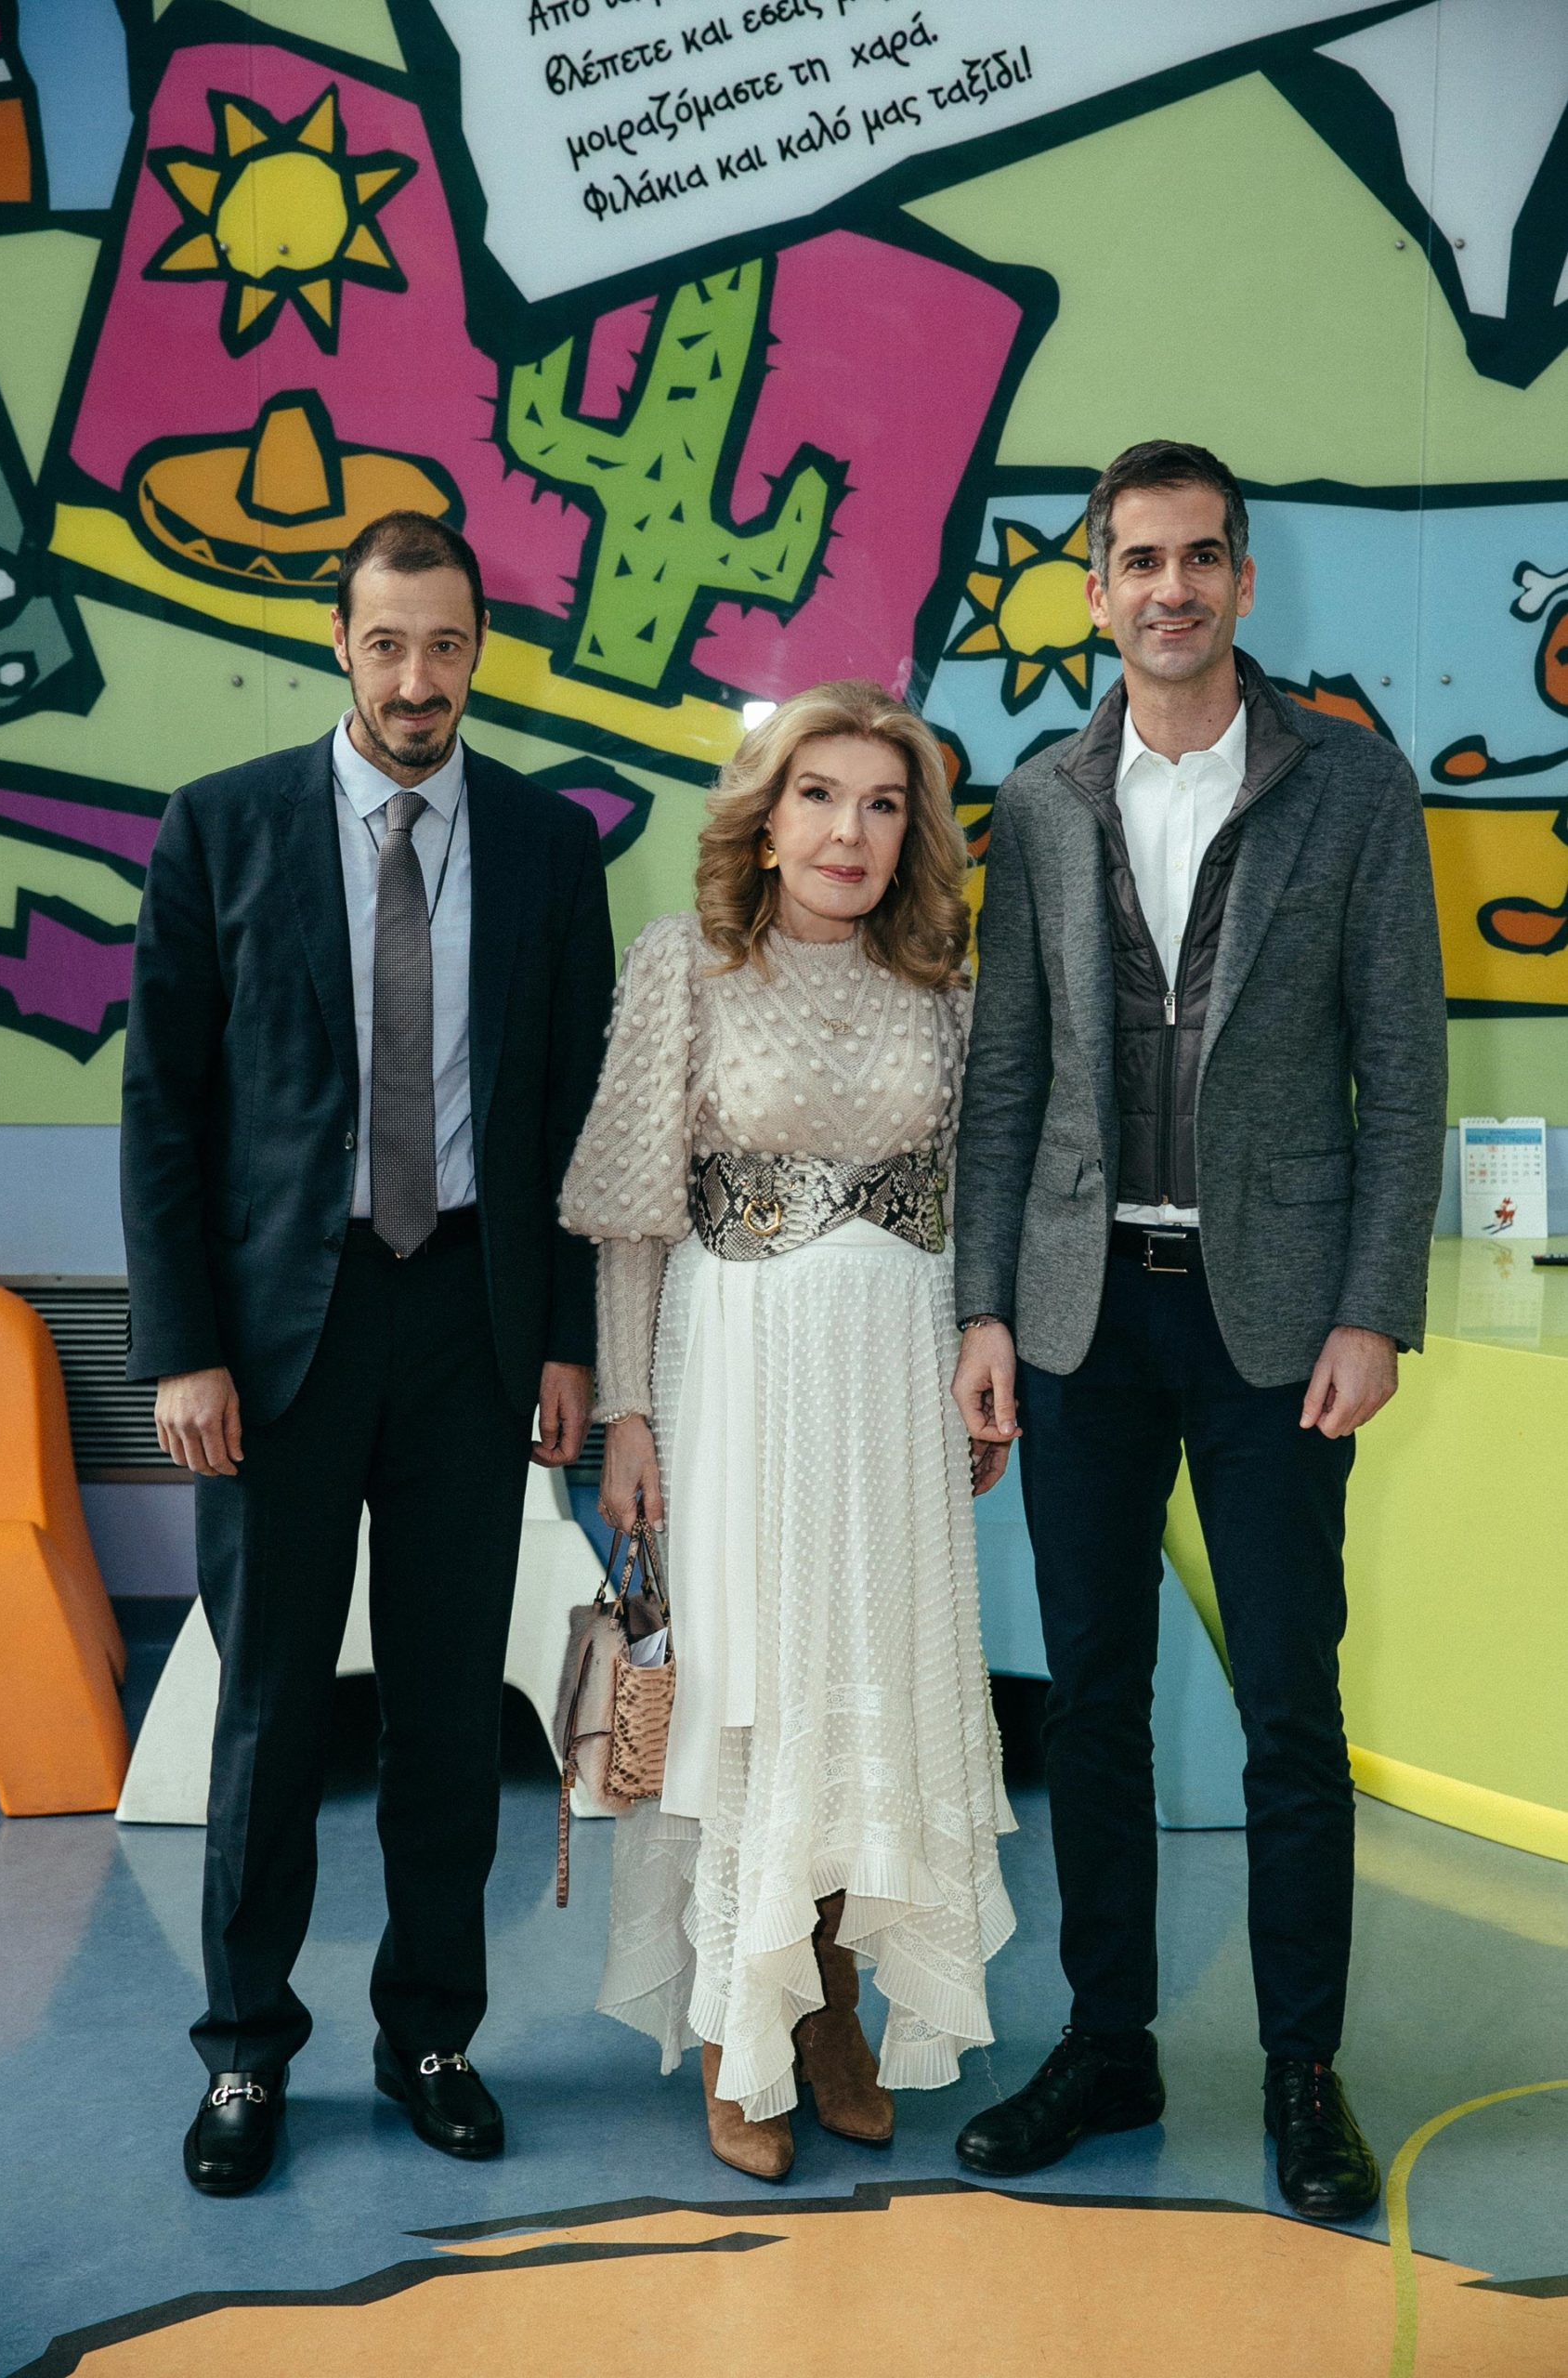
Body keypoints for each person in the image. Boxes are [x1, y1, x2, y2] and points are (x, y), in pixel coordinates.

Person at [949, 442, 1447, 2221]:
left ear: (1243, 580)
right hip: (1080, 1317)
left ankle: (1306, 2072)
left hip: (1277, 1327)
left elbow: (1405, 1072)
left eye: (1202, 558)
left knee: (1289, 1708)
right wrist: (984, 1305)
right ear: (1096, 592)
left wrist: (1374, 1308)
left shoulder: (1354, 787)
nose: (1172, 588)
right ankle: (1110, 2044)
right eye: (1139, 561)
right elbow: (1006, 1076)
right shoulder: (1040, 802)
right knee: (1092, 1705)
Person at [122, 511, 613, 2194]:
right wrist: (182, 1350)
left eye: (447, 645)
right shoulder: (221, 828)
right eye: (388, 643)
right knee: (267, 1710)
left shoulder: (550, 845)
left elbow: (569, 1122)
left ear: (481, 651)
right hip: (279, 1339)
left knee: (445, 1712)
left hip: (471, 1324)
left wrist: (568, 1342)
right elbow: (164, 1113)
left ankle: (431, 2038)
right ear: (339, 642)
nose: (418, 679)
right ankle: (245, 2053)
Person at [560, 681, 1015, 2181]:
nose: (849, 832)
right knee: (747, 1687)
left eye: (884, 804)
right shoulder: (683, 964)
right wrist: (628, 1412)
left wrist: (978, 1353)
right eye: (819, 797)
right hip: (734, 1374)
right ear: (763, 823)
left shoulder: (942, 984)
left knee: (864, 1675)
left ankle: (828, 2008)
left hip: (894, 1380)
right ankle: (737, 2030)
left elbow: (972, 1192)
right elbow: (632, 1217)